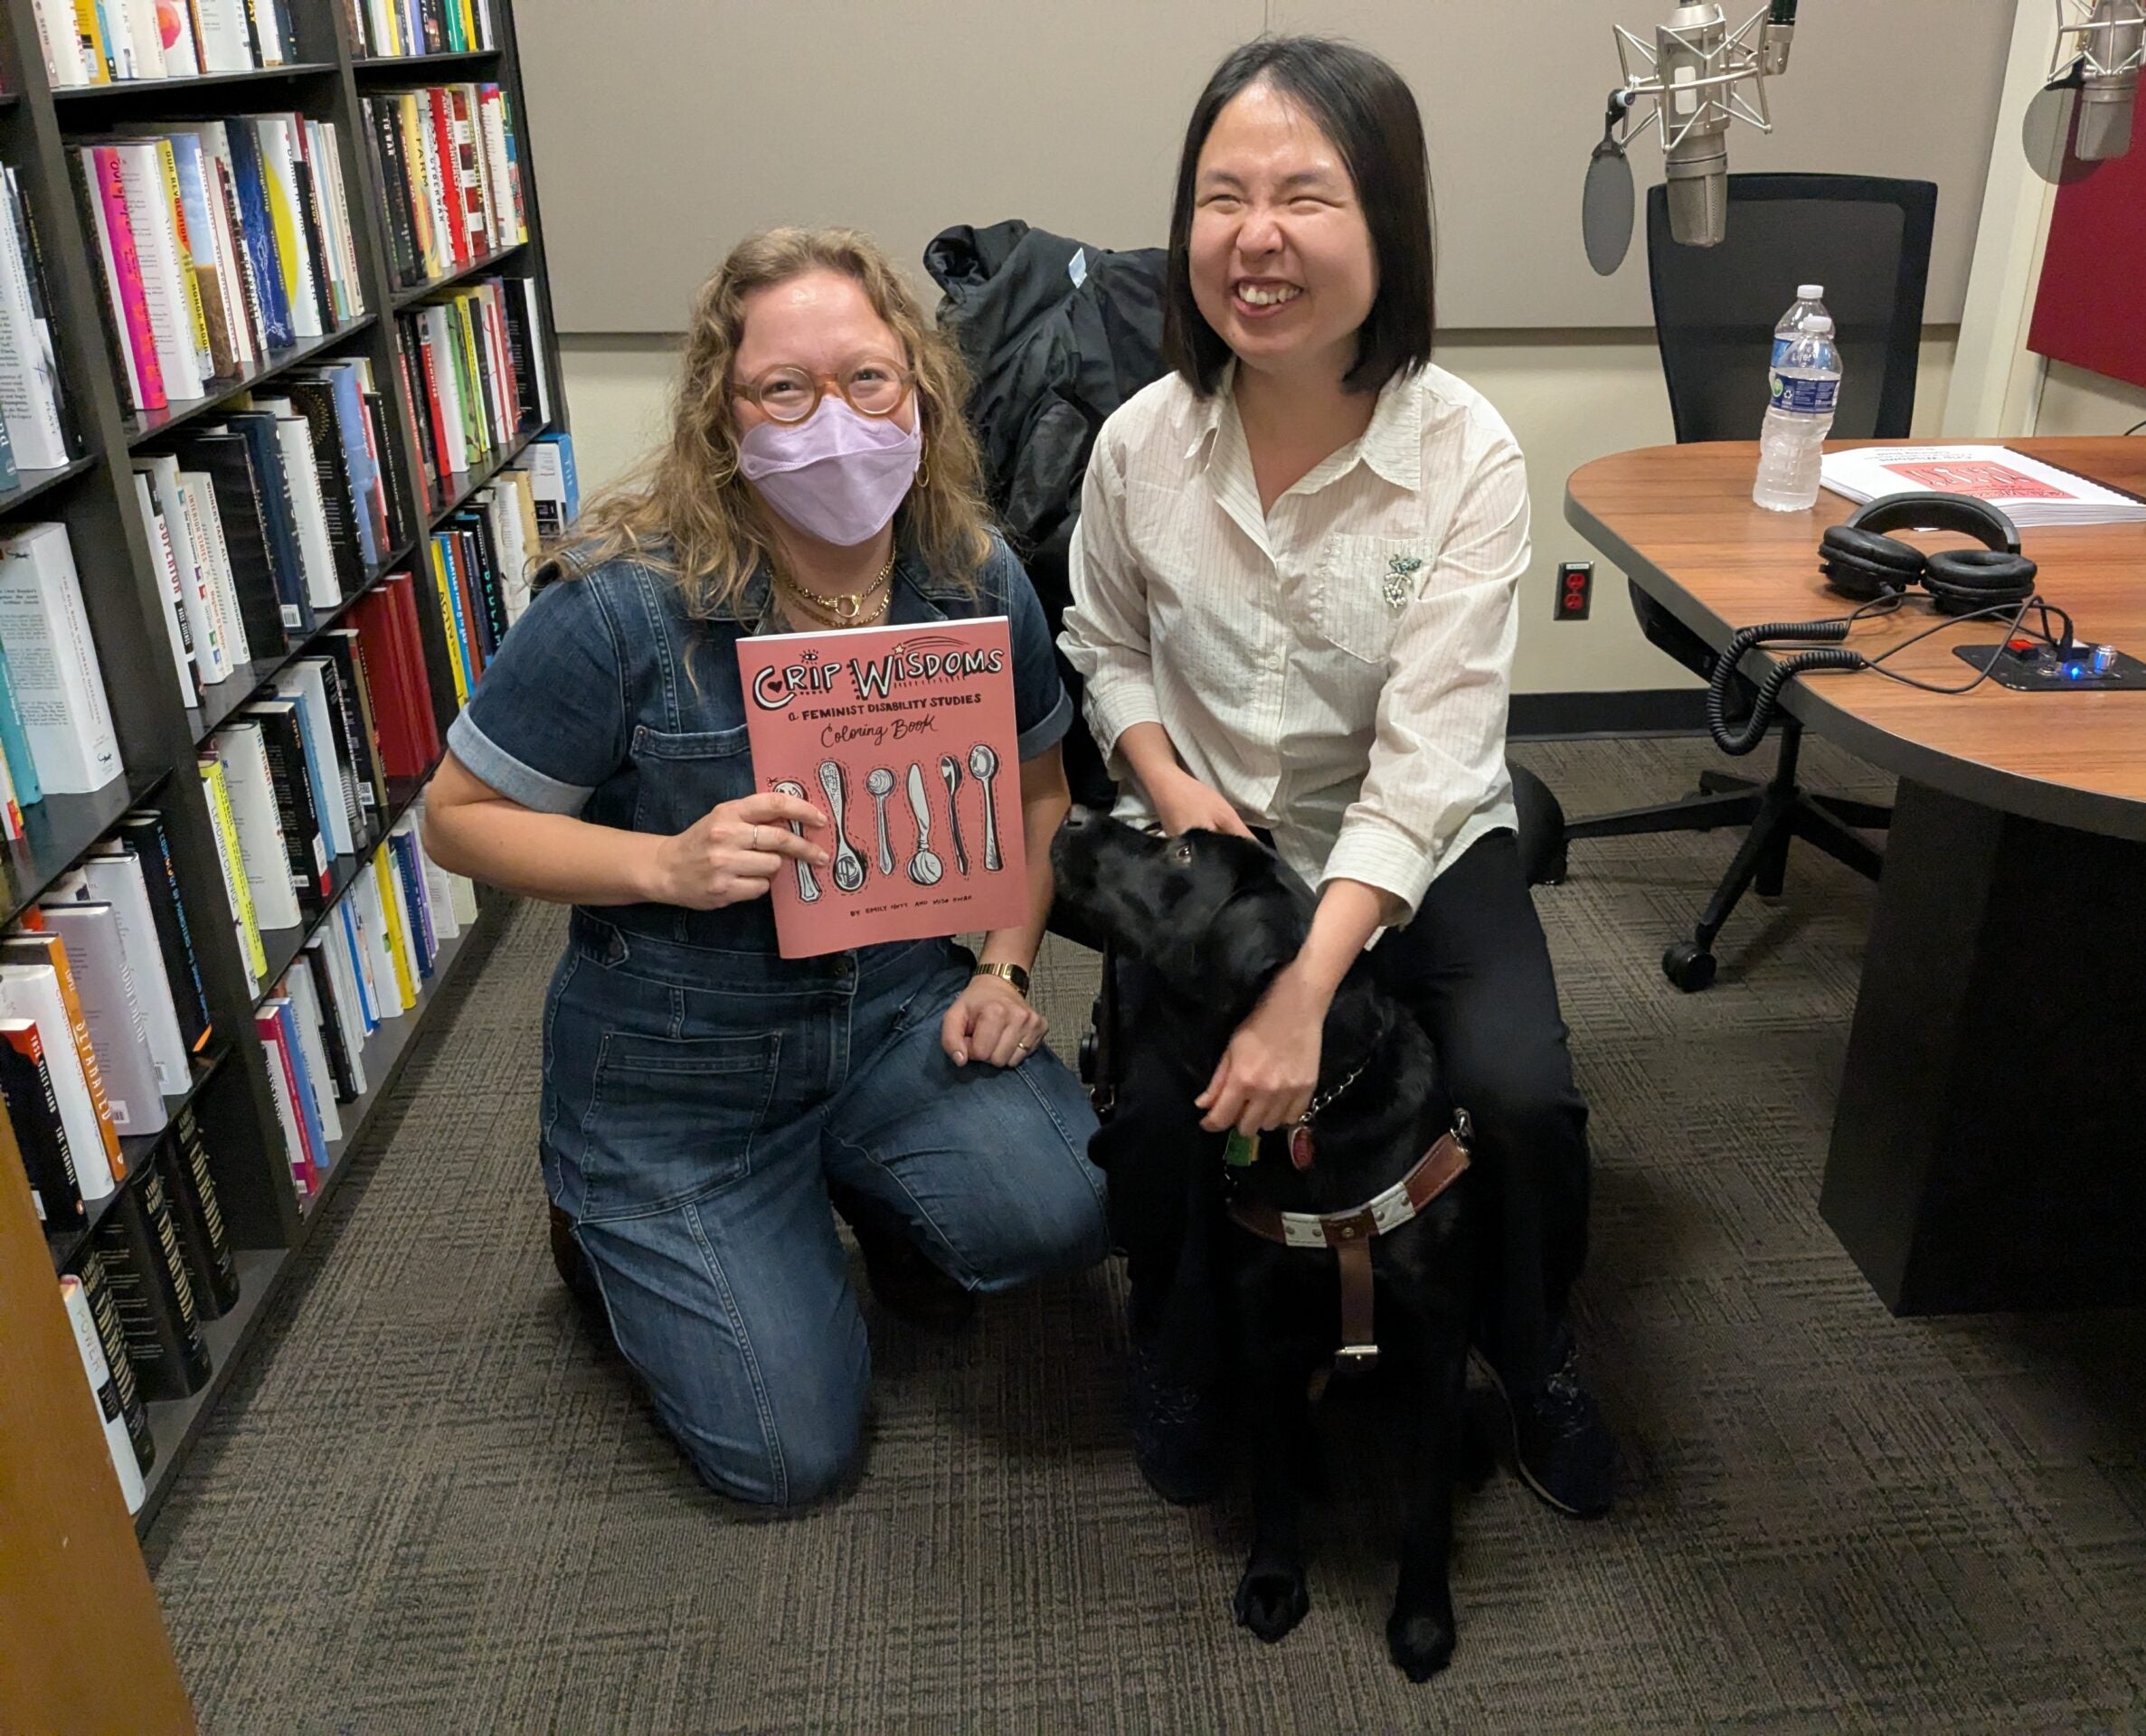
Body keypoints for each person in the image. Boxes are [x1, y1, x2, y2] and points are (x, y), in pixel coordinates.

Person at [421, 228, 1108, 1511]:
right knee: (786, 1461)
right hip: (681, 1072)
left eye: (868, 381)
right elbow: (457, 820)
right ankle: (612, 1228)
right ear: (722, 417)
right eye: (783, 390)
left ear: (920, 390)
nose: (834, 421)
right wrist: (661, 863)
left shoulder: (969, 574)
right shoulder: (624, 605)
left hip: (902, 1014)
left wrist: (1009, 966)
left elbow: (1037, 793)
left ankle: (860, 1186)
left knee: (1070, 1207)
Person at [1058, 37, 1615, 1517]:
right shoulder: (1140, 444)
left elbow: (1433, 755)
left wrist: (1308, 987)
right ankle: (1181, 1345)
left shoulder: (1468, 455)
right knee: (1165, 1123)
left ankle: (1532, 1344)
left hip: (1413, 846)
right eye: (1221, 196)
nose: (1256, 237)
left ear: (1390, 227)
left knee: (1521, 1099)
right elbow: (1101, 643)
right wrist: (1170, 790)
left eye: (1305, 196)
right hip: (1219, 843)